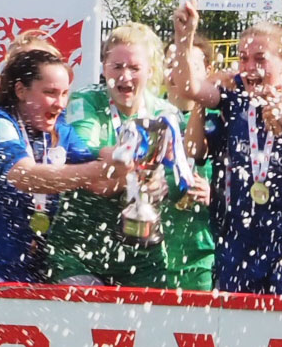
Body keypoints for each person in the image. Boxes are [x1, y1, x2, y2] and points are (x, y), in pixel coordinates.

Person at [169, 3, 282, 295]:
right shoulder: (235, 97)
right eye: (243, 59)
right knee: (234, 328)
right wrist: (185, 39)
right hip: (240, 239)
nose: (249, 68)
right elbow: (189, 89)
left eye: (260, 59)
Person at [0, 49, 124, 282]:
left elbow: (101, 184)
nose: (60, 104)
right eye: (50, 93)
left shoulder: (60, 131)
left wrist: (130, 165)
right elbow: (24, 176)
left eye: (64, 93)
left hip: (19, 268)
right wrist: (104, 168)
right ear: (20, 90)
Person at [46, 26, 213, 290]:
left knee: (145, 326)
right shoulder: (86, 101)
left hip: (143, 255)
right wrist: (132, 164)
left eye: (134, 68)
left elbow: (183, 171)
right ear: (103, 68)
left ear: (150, 70)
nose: (125, 76)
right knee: (83, 317)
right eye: (117, 67)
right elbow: (82, 146)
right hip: (78, 250)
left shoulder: (166, 114)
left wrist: (166, 184)